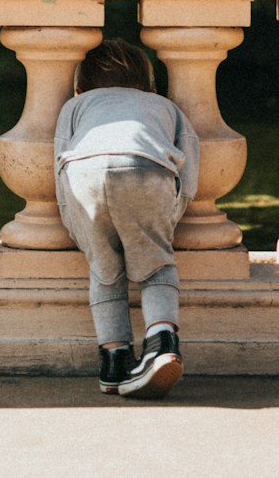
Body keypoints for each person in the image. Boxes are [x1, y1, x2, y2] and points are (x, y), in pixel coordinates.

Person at [54, 37, 199, 399]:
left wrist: (76, 224)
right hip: (144, 167)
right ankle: (161, 342)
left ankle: (114, 360)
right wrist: (167, 218)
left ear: (79, 87)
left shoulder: (75, 106)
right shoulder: (163, 105)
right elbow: (189, 165)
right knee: (156, 265)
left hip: (82, 174)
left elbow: (59, 161)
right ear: (150, 86)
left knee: (103, 270)